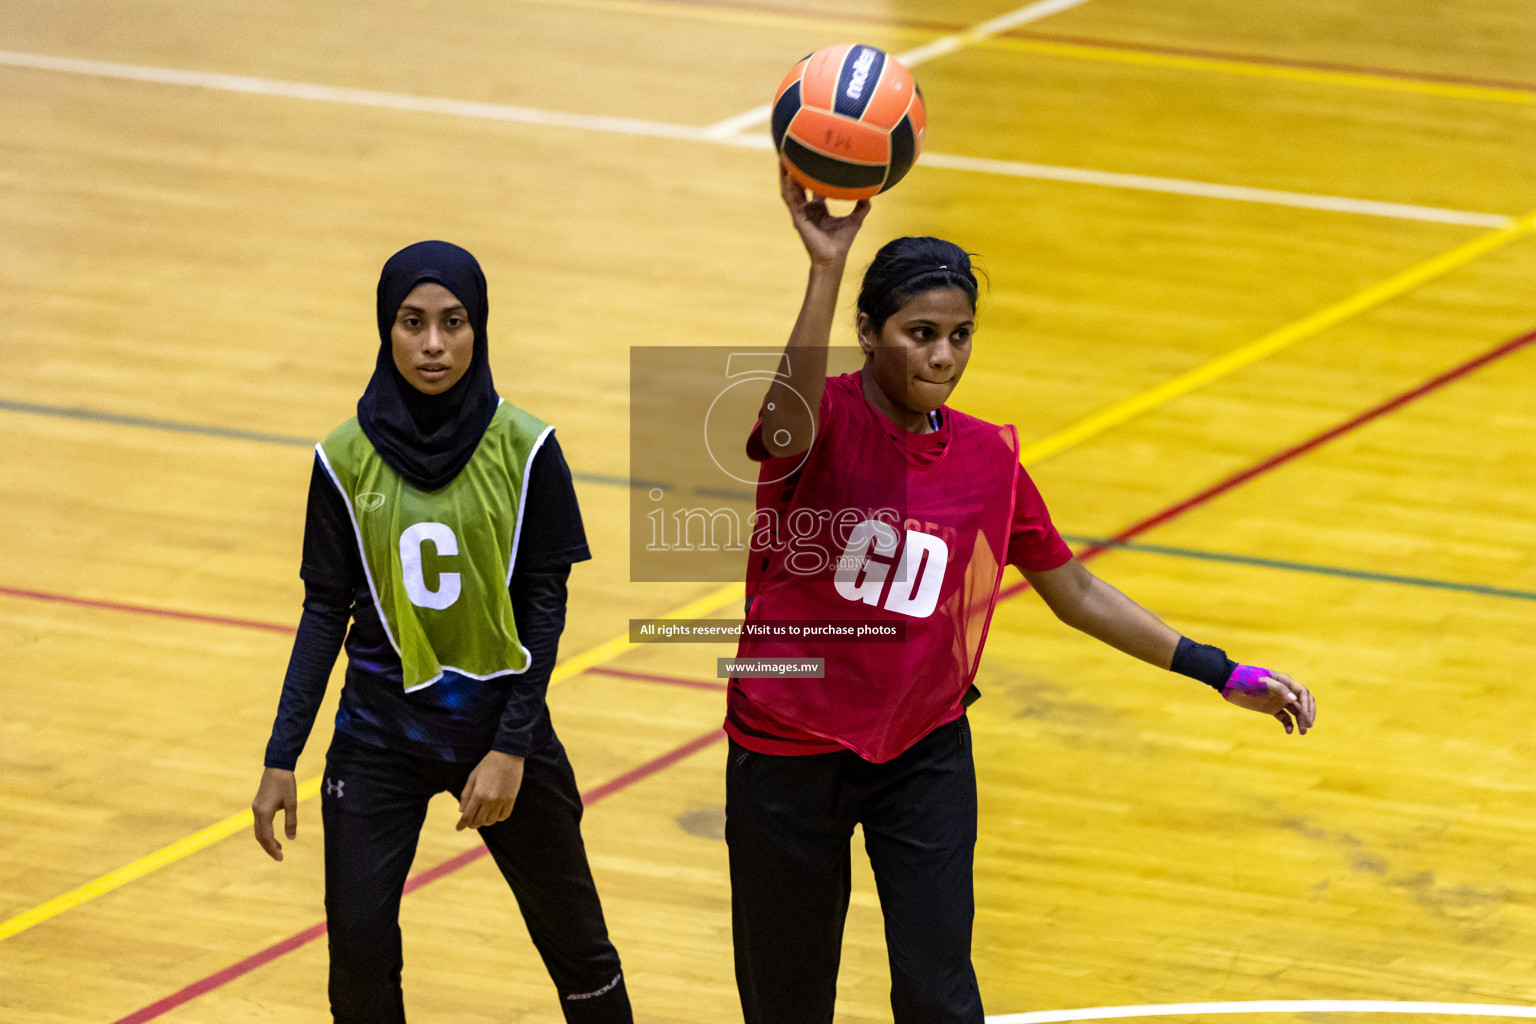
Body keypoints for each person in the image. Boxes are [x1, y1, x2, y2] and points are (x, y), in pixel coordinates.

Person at [723, 167, 1318, 1024]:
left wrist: (1218, 672)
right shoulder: (821, 424)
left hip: (922, 751)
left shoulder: (986, 462)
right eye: (919, 332)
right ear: (866, 333)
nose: (943, 356)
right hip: (788, 749)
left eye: (961, 335)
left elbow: (1073, 589)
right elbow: (783, 421)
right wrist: (824, 267)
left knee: (940, 999)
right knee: (787, 1002)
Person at [250, 241, 632, 1024]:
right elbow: (325, 610)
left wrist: (511, 749)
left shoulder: (527, 450)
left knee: (579, 952)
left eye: (453, 323)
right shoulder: (343, 459)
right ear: (385, 331)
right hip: (376, 733)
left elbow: (544, 610)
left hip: (498, 730)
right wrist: (281, 755)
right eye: (412, 323)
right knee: (357, 948)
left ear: (479, 328)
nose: (433, 344)